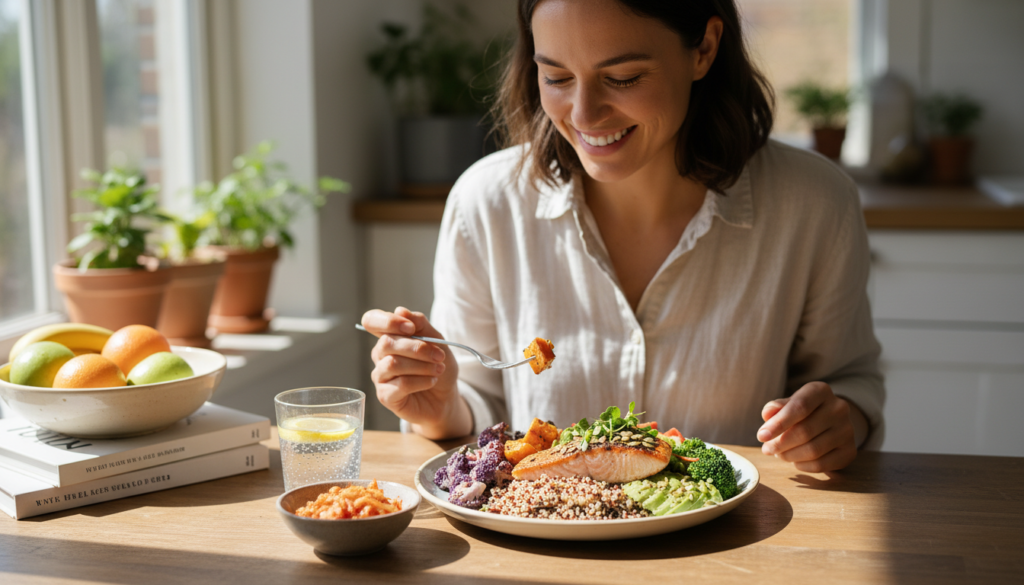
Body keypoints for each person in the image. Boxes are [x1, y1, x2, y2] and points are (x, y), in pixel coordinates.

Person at [361, 0, 884, 473]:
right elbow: (478, 410)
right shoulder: (487, 202)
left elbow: (851, 380)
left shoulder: (815, 203)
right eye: (557, 77)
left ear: (703, 49)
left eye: (625, 77)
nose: (584, 115)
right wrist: (437, 407)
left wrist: (841, 422)